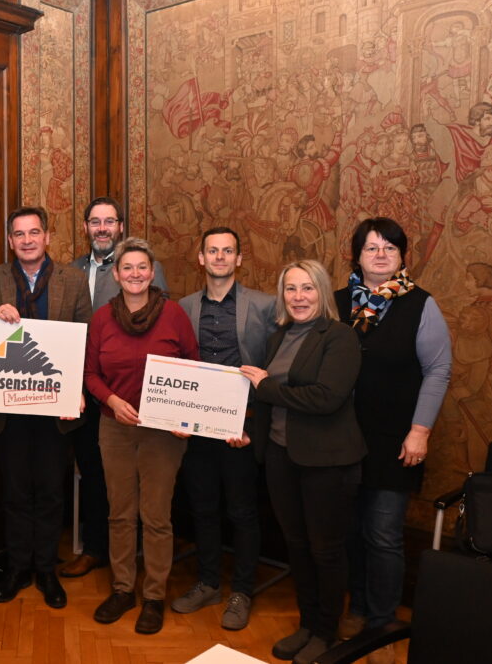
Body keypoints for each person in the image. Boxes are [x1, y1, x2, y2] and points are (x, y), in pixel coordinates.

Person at [334, 218, 451, 664]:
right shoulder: (338, 303)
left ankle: (381, 618)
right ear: (357, 256)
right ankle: (357, 606)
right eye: (370, 248)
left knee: (382, 533)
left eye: (389, 247)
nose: (380, 255)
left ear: (403, 255)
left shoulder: (422, 305)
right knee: (348, 529)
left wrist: (420, 431)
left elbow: (438, 370)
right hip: (340, 438)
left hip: (395, 440)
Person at [239, 259, 364, 664]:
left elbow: (327, 398)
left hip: (327, 462)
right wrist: (247, 429)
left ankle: (326, 633)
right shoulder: (279, 336)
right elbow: (265, 397)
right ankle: (308, 624)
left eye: (307, 288)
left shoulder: (340, 336)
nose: (298, 297)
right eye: (290, 289)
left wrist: (268, 387)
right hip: (281, 456)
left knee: (325, 550)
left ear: (322, 292)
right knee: (297, 545)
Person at [0, 206, 91, 610]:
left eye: (34, 232)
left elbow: (84, 338)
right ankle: (17, 568)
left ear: (47, 237)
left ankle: (46, 570)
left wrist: (76, 390)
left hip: (55, 410)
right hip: (8, 409)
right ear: (10, 241)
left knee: (51, 493)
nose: (27, 240)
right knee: (16, 492)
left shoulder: (73, 281)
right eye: (19, 234)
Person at [84, 237, 199, 636]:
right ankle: (121, 589)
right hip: (114, 426)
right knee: (119, 512)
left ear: (152, 272)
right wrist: (113, 401)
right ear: (115, 274)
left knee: (155, 515)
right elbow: (89, 374)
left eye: (142, 267)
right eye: (127, 268)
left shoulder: (174, 315)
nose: (135, 274)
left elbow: (192, 368)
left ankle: (153, 596)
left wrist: (183, 415)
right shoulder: (101, 318)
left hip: (162, 431)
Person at [172, 227, 276, 629]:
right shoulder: (183, 307)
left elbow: (275, 365)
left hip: (243, 428)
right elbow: (177, 363)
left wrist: (255, 420)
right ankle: (209, 582)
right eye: (212, 251)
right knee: (203, 506)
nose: (219, 257)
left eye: (227, 251)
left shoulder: (265, 306)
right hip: (198, 426)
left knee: (243, 510)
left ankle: (243, 590)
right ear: (200, 258)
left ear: (239, 258)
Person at [64, 196, 168, 579]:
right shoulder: (71, 272)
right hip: (84, 387)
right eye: (95, 222)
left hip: (131, 394)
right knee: (93, 469)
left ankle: (137, 552)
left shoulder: (140, 268)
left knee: (140, 480)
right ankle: (96, 548)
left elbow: (162, 327)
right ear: (87, 227)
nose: (102, 228)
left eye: (110, 221)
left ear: (121, 226)